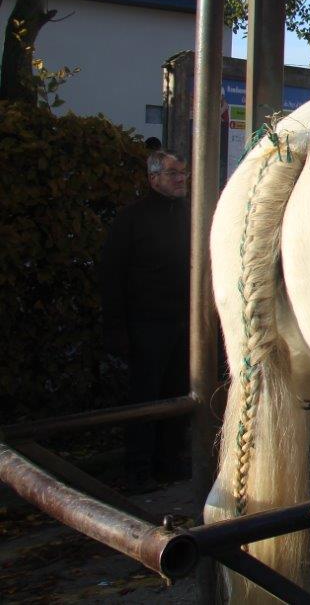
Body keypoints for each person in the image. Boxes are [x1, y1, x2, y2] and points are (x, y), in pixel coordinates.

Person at [99, 149, 191, 487]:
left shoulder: (188, 215)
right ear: (153, 179)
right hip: (146, 324)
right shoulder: (132, 218)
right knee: (145, 398)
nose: (181, 178)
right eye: (172, 173)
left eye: (183, 172)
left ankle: (170, 460)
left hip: (184, 322)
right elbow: (112, 274)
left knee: (179, 394)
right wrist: (116, 328)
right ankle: (138, 468)